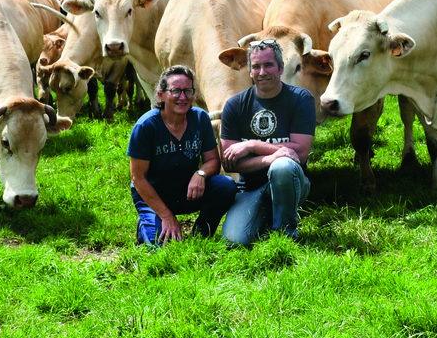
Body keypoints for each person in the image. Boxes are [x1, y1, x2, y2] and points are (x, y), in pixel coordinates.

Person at [220, 38, 316, 246]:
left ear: (281, 68)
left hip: (293, 182)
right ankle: (267, 211)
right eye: (256, 66)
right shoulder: (235, 106)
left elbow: (298, 154)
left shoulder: (301, 99)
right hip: (249, 187)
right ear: (249, 71)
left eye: (268, 65)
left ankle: (285, 234)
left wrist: (252, 146)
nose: (262, 72)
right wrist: (269, 157)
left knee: (282, 166)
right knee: (234, 241)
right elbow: (230, 163)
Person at [128, 65, 237, 247]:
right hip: (155, 194)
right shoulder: (146, 126)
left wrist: (200, 174)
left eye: (188, 91)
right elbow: (138, 178)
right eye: (176, 91)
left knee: (225, 186)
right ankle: (146, 225)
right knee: (159, 247)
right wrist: (166, 216)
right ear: (161, 95)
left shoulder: (200, 118)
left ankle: (202, 233)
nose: (183, 97)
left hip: (187, 190)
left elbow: (212, 160)